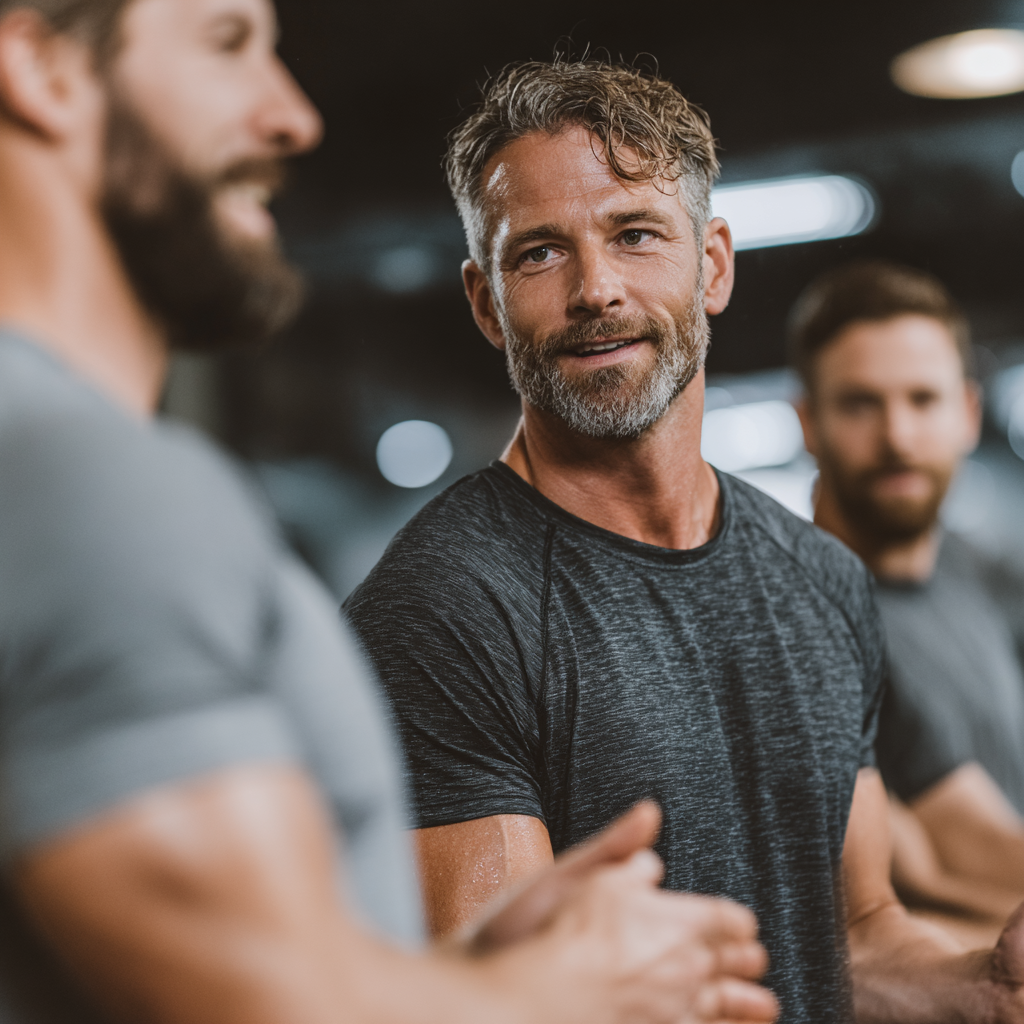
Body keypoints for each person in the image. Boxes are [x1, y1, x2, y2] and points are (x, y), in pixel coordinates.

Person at [0, 2, 782, 1022]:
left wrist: (470, 975)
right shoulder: (91, 479)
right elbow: (264, 1007)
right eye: (226, 42)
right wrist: (549, 993)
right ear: (44, 68)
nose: (292, 116)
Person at [345, 57, 1024, 1022]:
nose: (596, 289)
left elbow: (854, 944)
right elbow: (497, 1003)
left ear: (712, 266)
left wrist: (984, 990)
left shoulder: (821, 580)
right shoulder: (443, 610)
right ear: (485, 304)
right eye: (538, 252)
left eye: (635, 235)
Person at [792, 260, 1024, 929]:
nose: (897, 436)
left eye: (923, 400)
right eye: (861, 403)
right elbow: (964, 852)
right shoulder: (808, 619)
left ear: (968, 413)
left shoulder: (970, 572)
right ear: (809, 422)